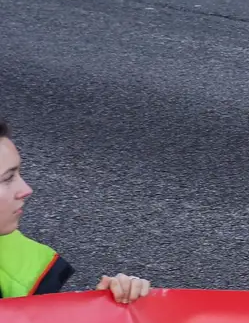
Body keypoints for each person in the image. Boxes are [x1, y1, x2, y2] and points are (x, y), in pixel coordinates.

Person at [0, 119, 151, 302]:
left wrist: (104, 305)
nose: (26, 189)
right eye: (7, 178)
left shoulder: (13, 260)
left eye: (18, 173)